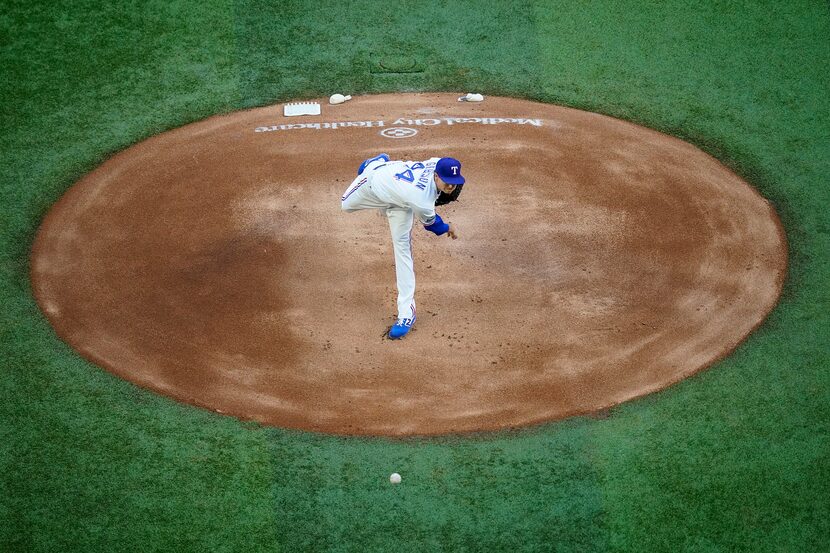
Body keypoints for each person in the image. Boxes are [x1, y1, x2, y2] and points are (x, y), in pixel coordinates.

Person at [341, 154, 466, 339]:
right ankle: (375, 162)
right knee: (346, 205)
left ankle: (406, 314)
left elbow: (441, 166)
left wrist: (445, 186)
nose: (451, 187)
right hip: (374, 182)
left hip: (401, 205)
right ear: (436, 175)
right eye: (447, 182)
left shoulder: (435, 164)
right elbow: (433, 225)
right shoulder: (421, 199)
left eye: (454, 183)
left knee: (403, 249)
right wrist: (449, 227)